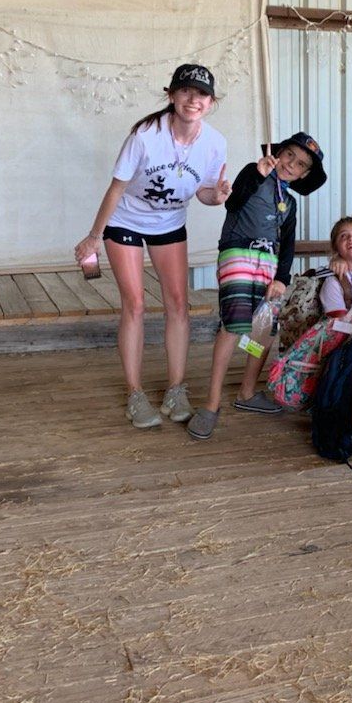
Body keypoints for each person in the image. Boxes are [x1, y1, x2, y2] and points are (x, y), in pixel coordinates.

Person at [73, 63, 230, 430]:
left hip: (169, 223)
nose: (193, 99)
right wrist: (94, 236)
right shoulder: (145, 136)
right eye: (186, 91)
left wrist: (218, 196)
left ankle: (176, 389)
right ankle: (135, 393)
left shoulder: (215, 143)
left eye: (202, 94)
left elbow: (204, 192)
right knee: (136, 304)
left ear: (211, 102)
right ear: (171, 95)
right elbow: (116, 188)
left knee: (178, 304)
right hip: (125, 221)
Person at [194, 132, 327, 439]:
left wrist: (281, 278)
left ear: (304, 174)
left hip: (269, 265)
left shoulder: (289, 203)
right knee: (233, 326)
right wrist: (257, 173)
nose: (291, 164)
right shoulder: (253, 173)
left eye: (300, 164)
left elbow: (288, 244)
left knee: (264, 330)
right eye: (289, 155)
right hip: (238, 254)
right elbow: (233, 203)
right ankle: (211, 403)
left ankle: (247, 392)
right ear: (277, 153)